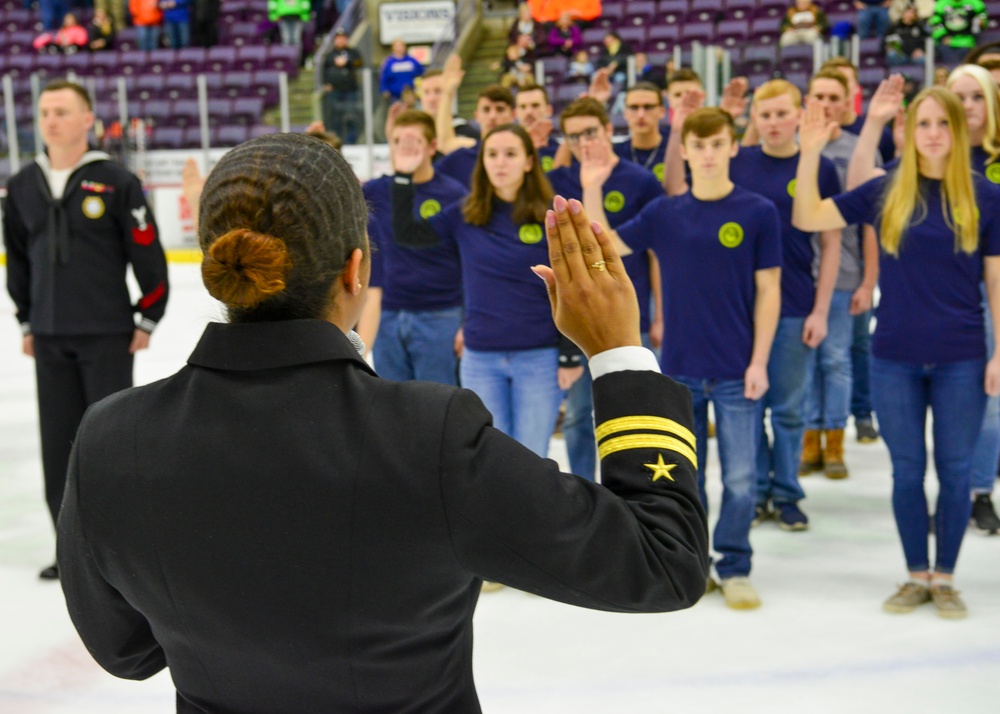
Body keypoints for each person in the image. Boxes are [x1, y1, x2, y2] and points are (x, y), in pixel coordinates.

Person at [56, 133, 709, 711]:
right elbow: (663, 560)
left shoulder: (112, 439)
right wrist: (618, 353)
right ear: (356, 268)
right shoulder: (429, 438)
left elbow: (127, 652)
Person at [793, 87, 1000, 618]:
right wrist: (811, 150)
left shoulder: (986, 196)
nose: (932, 133)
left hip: (962, 357)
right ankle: (915, 575)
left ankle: (946, 577)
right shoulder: (885, 191)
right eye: (922, 123)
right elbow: (809, 219)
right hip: (894, 357)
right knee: (907, 472)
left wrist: (999, 353)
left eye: (942, 123)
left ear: (957, 130)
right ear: (908, 131)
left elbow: (996, 282)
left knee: (954, 472)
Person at [585, 107, 783, 609]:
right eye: (699, 145)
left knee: (741, 478)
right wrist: (591, 186)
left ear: (733, 146)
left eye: (718, 143)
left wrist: (760, 360)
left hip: (739, 370)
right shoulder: (665, 213)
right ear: (686, 152)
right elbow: (605, 246)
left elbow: (770, 291)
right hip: (679, 370)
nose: (709, 153)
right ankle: (694, 560)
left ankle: (735, 564)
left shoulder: (759, 211)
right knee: (682, 478)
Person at [3, 80, 169, 581]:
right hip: (50, 337)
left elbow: (147, 251)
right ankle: (71, 551)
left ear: (87, 120)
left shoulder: (116, 181)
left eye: (62, 111)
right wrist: (27, 318)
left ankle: (121, 556)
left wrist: (148, 314)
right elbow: (18, 262)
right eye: (45, 111)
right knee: (60, 446)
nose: (50, 120)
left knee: (110, 443)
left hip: (106, 335)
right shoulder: (23, 184)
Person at [702, 79, 841, 531]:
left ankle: (787, 494)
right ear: (753, 120)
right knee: (746, 406)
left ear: (800, 115)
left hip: (795, 304)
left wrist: (821, 310)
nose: (774, 123)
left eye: (783, 114)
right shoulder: (737, 164)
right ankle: (755, 491)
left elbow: (832, 244)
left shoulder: (816, 166)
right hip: (738, 309)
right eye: (765, 115)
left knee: (788, 409)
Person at [393, 124, 575, 458]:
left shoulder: (552, 216)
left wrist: (569, 354)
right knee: (494, 460)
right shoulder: (465, 214)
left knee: (532, 457)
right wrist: (404, 177)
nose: (500, 163)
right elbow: (409, 235)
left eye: (510, 154)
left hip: (539, 356)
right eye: (492, 155)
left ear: (529, 162)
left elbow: (569, 284)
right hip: (481, 358)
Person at [547, 97, 666, 481]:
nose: (584, 142)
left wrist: (660, 313)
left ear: (609, 131)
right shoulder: (559, 182)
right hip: (580, 316)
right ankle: (584, 489)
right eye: (575, 135)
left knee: (635, 406)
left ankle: (634, 491)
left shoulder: (640, 181)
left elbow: (654, 255)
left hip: (632, 314)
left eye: (591, 132)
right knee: (581, 412)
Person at [799, 69, 881, 480]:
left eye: (834, 97)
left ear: (848, 101)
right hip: (799, 273)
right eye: (819, 96)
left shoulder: (859, 151)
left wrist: (868, 281)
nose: (826, 104)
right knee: (807, 361)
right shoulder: (796, 149)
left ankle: (834, 440)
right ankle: (808, 436)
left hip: (846, 273)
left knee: (835, 360)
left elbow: (871, 225)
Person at [361, 110, 467, 385]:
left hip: (440, 315)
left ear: (433, 146)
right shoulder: (374, 192)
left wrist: (467, 322)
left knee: (437, 406)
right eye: (397, 141)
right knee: (392, 405)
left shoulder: (454, 195)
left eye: (413, 141)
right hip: (387, 314)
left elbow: (470, 260)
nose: (404, 148)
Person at [614, 82, 669, 183]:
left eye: (648, 107)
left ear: (662, 111)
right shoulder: (614, 154)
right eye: (634, 108)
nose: (640, 115)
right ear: (625, 113)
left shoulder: (674, 153)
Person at [322, 28, 364, 144]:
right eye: (338, 39)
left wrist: (347, 62)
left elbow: (359, 63)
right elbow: (324, 70)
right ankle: (336, 141)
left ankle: (352, 141)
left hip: (350, 90)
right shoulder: (330, 55)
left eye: (343, 38)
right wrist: (327, 84)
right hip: (335, 91)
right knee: (336, 117)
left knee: (352, 116)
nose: (340, 41)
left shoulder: (353, 52)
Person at [514, 84, 560, 171]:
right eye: (523, 107)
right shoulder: (506, 152)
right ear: (516, 113)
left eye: (535, 105)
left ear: (549, 110)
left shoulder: (559, 152)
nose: (528, 112)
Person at [929, 0, 987, 64]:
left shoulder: (975, 2)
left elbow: (983, 19)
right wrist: (942, 37)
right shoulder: (941, 3)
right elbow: (935, 23)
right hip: (947, 42)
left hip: (968, 41)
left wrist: (981, 22)